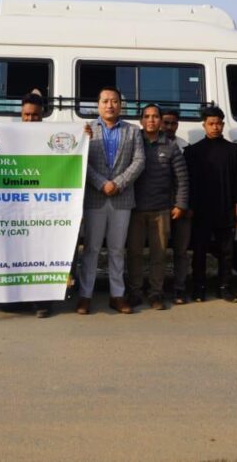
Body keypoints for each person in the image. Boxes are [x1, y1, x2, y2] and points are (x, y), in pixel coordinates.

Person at [77, 87, 145, 315]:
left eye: (114, 101)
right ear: (98, 104)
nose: (110, 105)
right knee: (91, 249)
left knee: (117, 250)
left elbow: (139, 161)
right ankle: (85, 296)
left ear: (120, 105)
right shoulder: (86, 130)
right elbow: (80, 161)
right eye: (105, 101)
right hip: (95, 197)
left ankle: (117, 295)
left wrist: (118, 183)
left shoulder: (133, 131)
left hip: (121, 198)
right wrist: (100, 183)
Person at [126, 104, 188, 311]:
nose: (151, 120)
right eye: (147, 117)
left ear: (161, 120)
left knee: (159, 254)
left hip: (162, 210)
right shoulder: (133, 143)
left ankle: (155, 293)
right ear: (141, 121)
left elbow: (181, 179)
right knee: (134, 253)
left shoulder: (170, 146)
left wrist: (180, 204)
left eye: (155, 117)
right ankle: (134, 292)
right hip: (135, 209)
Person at [183, 106, 237, 302]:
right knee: (199, 250)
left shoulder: (233, 150)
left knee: (226, 251)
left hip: (225, 207)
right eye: (211, 124)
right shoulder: (193, 151)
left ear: (223, 125)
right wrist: (189, 206)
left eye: (218, 123)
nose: (215, 127)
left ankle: (225, 287)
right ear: (204, 125)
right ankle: (198, 286)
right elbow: (188, 181)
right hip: (201, 209)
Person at [19, 93, 54, 318]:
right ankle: (19, 298)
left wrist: (85, 136)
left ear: (42, 116)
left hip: (42, 207)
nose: (31, 119)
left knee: (41, 253)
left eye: (35, 115)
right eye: (27, 115)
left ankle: (43, 301)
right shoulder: (9, 136)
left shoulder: (51, 136)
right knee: (19, 254)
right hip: (16, 208)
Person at [161, 109, 192, 303]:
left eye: (173, 123)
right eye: (166, 123)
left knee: (181, 251)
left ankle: (179, 288)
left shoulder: (186, 147)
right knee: (159, 250)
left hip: (182, 207)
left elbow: (189, 179)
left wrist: (184, 205)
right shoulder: (149, 145)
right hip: (159, 207)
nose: (169, 127)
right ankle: (157, 288)